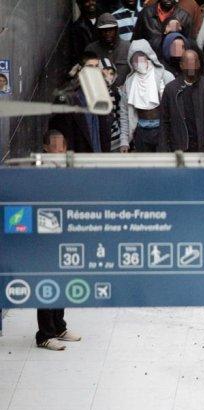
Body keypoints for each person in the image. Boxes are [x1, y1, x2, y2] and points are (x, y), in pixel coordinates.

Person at [36, 130, 82, 351]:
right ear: (45, 148)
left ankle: (59, 326)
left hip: (65, 233)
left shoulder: (67, 169)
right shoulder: (41, 171)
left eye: (62, 146)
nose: (59, 150)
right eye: (54, 146)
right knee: (47, 283)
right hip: (47, 236)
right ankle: (44, 334)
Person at [159, 49, 204, 161]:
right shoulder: (171, 89)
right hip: (179, 150)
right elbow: (164, 122)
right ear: (181, 65)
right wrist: (164, 151)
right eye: (188, 63)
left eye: (194, 63)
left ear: (199, 64)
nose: (192, 67)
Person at [49, 52, 112, 153]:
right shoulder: (71, 96)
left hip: (99, 158)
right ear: (80, 70)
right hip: (79, 158)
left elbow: (105, 130)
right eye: (90, 67)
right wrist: (71, 80)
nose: (94, 71)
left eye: (96, 67)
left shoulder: (101, 94)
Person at [119, 39, 175, 152]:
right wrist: (124, 141)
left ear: (149, 56)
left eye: (141, 57)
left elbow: (176, 109)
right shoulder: (129, 83)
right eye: (134, 59)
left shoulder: (165, 77)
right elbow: (125, 113)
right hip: (140, 132)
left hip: (163, 131)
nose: (138, 62)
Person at [85, 13, 131, 86]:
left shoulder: (128, 47)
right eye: (104, 30)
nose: (107, 33)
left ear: (116, 30)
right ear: (99, 32)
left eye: (110, 30)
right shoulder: (91, 49)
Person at [100, 58, 124, 152]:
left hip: (116, 141)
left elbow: (120, 116)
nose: (108, 77)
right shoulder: (92, 93)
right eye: (104, 74)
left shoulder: (116, 92)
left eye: (111, 73)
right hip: (100, 142)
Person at [70, 0, 99, 66]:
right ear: (81, 5)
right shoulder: (76, 27)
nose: (91, 3)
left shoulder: (103, 21)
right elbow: (76, 53)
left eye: (93, 0)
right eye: (87, 1)